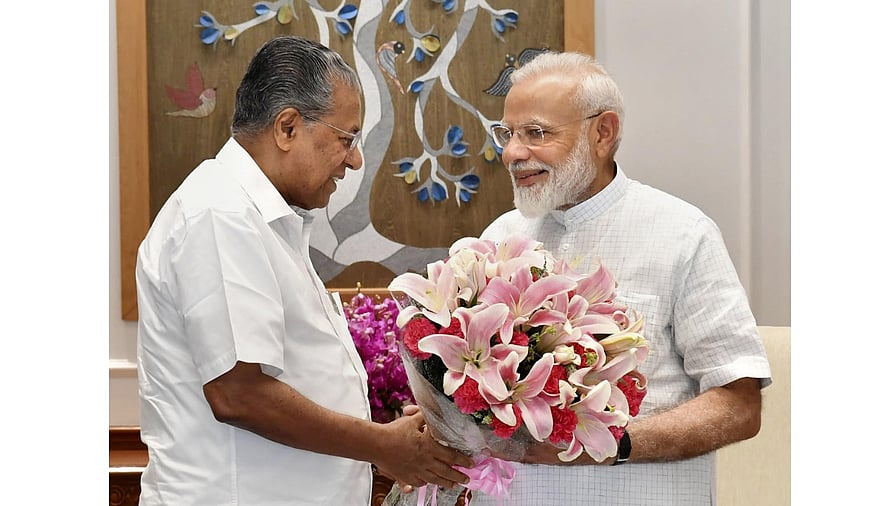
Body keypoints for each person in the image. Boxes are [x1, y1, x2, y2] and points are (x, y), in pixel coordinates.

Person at [135, 35, 472, 505]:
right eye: (346, 139)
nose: (354, 160)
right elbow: (238, 393)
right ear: (288, 127)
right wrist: (382, 445)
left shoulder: (259, 217)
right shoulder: (221, 213)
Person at [475, 51, 772, 505]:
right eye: (507, 133)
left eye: (536, 133)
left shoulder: (683, 234)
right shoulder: (500, 236)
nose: (513, 152)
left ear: (603, 133)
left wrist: (611, 444)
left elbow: (738, 404)